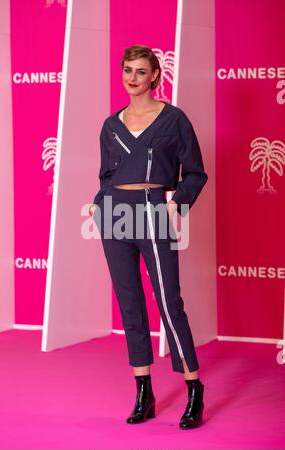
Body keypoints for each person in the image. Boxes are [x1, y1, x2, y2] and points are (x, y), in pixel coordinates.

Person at [89, 45, 208, 429]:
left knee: (169, 302)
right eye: (127, 70)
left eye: (141, 71)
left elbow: (194, 172)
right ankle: (144, 390)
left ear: (155, 75)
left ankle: (193, 388)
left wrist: (176, 204)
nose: (132, 78)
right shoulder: (111, 124)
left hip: (154, 210)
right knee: (130, 304)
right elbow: (107, 175)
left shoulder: (174, 120)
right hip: (114, 215)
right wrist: (97, 203)